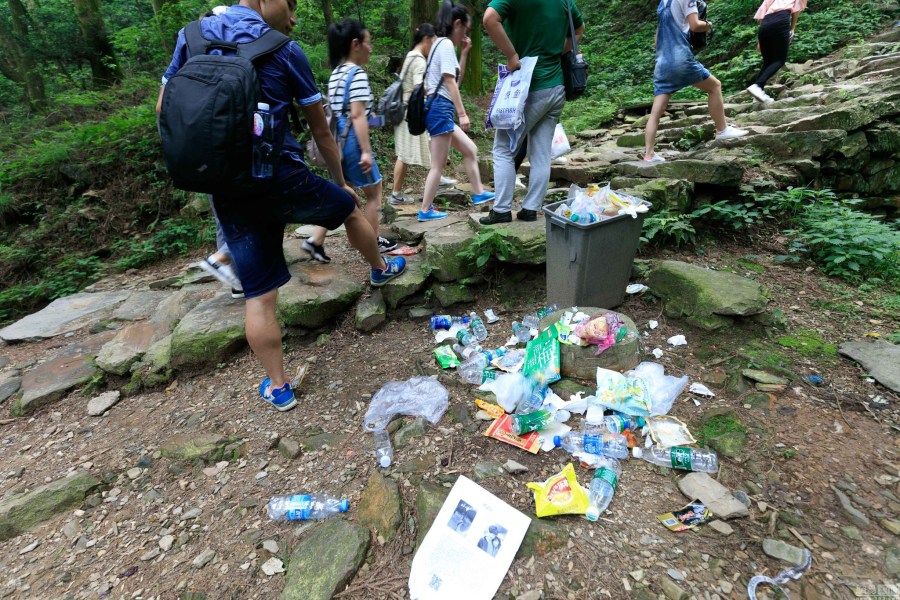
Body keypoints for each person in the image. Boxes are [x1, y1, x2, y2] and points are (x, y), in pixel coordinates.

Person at [158, 0, 406, 412]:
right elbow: (321, 131)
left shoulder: (192, 37)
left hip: (228, 188)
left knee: (258, 294)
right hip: (282, 177)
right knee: (346, 209)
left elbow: (163, 108)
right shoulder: (284, 49)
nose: (294, 16)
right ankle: (380, 271)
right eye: (290, 5)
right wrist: (341, 183)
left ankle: (279, 388)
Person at [480, 0, 584, 224]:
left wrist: (511, 55)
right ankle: (530, 208)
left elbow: (490, 18)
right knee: (541, 152)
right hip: (557, 86)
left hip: (529, 86)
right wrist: (558, 50)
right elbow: (578, 28)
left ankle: (501, 210)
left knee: (503, 148)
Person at [302, 19, 397, 262]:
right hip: (354, 142)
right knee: (374, 193)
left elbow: (353, 115)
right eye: (368, 43)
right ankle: (372, 248)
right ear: (355, 44)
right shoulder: (357, 74)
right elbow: (356, 116)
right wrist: (366, 151)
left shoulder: (336, 74)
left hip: (338, 142)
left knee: (344, 191)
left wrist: (381, 120)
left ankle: (315, 240)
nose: (371, 48)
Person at [417, 0, 495, 222]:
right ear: (457, 23)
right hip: (440, 110)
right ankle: (425, 209)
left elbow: (453, 83)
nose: (466, 34)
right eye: (466, 29)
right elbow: (450, 83)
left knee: (470, 149)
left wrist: (465, 53)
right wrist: (462, 113)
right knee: (437, 166)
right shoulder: (444, 45)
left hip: (439, 108)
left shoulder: (440, 46)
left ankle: (478, 193)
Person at [643, 0, 748, 162]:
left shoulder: (663, 3)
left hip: (662, 63)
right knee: (715, 86)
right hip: (680, 59)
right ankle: (722, 130)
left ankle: (649, 154)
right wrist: (709, 24)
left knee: (656, 111)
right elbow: (695, 26)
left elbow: (656, 41)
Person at [389, 25, 460, 206]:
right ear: (426, 40)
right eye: (433, 42)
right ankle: (398, 193)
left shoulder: (409, 57)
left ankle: (435, 178)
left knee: (415, 148)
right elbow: (421, 87)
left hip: (406, 110)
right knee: (406, 154)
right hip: (412, 112)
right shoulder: (419, 60)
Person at [747, 0, 806, 104]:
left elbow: (763, 12)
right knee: (779, 60)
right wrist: (792, 28)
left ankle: (757, 94)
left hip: (765, 24)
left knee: (768, 62)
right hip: (781, 19)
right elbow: (796, 10)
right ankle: (757, 86)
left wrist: (759, 40)